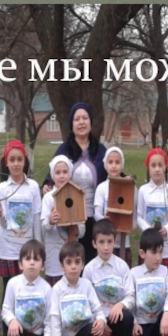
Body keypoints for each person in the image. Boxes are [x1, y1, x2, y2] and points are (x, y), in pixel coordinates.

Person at [42, 103, 108, 263]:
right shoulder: (64, 150)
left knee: (92, 261)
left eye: (85, 118)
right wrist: (46, 184)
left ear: (91, 122)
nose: (81, 122)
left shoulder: (100, 151)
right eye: (77, 119)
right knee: (73, 261)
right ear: (71, 124)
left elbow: (112, 173)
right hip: (72, 215)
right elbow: (53, 173)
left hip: (95, 215)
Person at [48, 241, 107, 336]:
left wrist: (101, 320)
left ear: (82, 264)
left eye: (77, 262)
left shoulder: (86, 285)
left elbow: (98, 310)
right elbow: (54, 325)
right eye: (69, 262)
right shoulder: (57, 290)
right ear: (62, 266)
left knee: (96, 326)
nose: (73, 266)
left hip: (82, 334)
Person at [82, 219, 135, 336]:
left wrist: (121, 305)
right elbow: (85, 302)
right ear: (94, 243)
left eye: (109, 242)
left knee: (128, 317)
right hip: (98, 319)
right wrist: (99, 320)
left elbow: (131, 295)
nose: (106, 247)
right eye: (101, 242)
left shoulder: (122, 266)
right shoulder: (89, 270)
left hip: (116, 316)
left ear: (115, 242)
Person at [0, 240, 54, 336]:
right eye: (27, 259)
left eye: (36, 259)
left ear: (42, 266)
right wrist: (12, 321)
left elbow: (49, 319)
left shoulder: (46, 288)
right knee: (11, 334)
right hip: (19, 334)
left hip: (38, 334)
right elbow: (6, 309)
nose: (31, 263)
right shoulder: (13, 284)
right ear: (20, 264)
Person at [0, 140, 42, 294]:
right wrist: (0, 211)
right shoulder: (2, 189)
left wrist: (38, 247)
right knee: (9, 291)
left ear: (25, 161)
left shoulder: (33, 187)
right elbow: (3, 224)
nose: (16, 164)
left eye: (20, 159)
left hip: (28, 250)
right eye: (12, 160)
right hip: (8, 250)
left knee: (28, 291)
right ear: (6, 162)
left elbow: (36, 219)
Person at [41, 156, 85, 286]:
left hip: (72, 253)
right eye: (58, 172)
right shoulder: (48, 198)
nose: (61, 176)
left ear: (70, 174)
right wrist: (50, 221)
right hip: (54, 252)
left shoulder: (76, 194)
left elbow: (82, 229)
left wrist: (76, 228)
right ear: (52, 176)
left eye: (65, 172)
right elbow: (43, 226)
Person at [136, 148, 168, 273]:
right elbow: (138, 216)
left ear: (165, 167)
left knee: (166, 276)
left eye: (160, 165)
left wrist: (167, 229)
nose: (157, 169)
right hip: (148, 244)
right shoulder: (143, 191)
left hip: (166, 245)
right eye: (153, 165)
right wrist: (148, 230)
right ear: (148, 168)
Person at [93, 146, 136, 266]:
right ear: (105, 165)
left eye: (117, 162)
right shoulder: (102, 188)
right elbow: (96, 213)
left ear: (122, 165)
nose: (114, 166)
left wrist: (129, 227)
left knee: (123, 271)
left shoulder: (128, 187)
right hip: (105, 243)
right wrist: (103, 219)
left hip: (124, 241)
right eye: (110, 162)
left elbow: (135, 210)